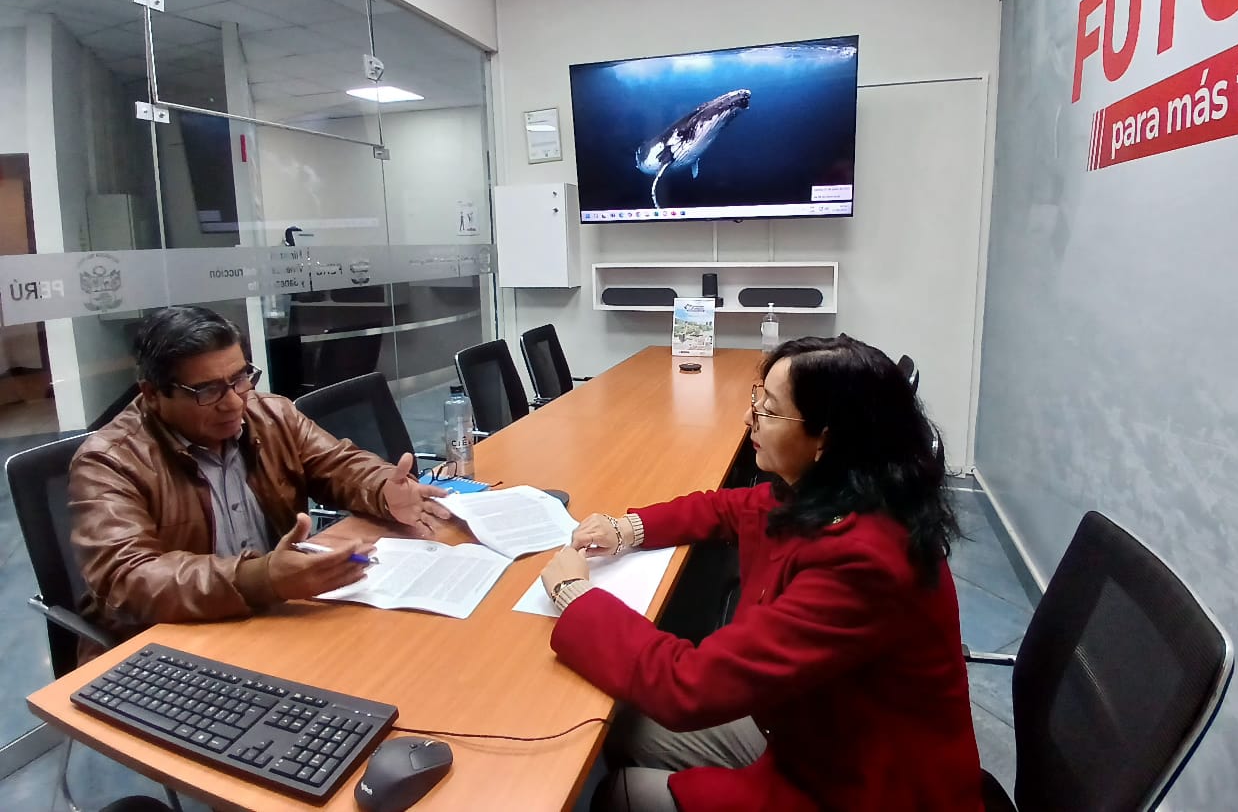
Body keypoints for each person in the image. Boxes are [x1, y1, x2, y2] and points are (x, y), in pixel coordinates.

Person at [539, 335, 981, 812]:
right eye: (758, 401)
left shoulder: (864, 563)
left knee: (621, 792)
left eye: (770, 411)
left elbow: (689, 686)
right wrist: (628, 528)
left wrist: (574, 594)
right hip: (815, 732)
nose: (749, 419)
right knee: (626, 722)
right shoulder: (837, 491)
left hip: (866, 788)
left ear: (824, 439)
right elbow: (730, 507)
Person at [69, 305, 451, 646]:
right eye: (207, 391)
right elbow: (127, 579)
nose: (234, 402)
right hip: (170, 643)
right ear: (152, 394)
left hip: (269, 617)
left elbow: (338, 464)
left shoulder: (271, 415)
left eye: (240, 378)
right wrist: (261, 578)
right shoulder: (109, 461)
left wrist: (382, 488)